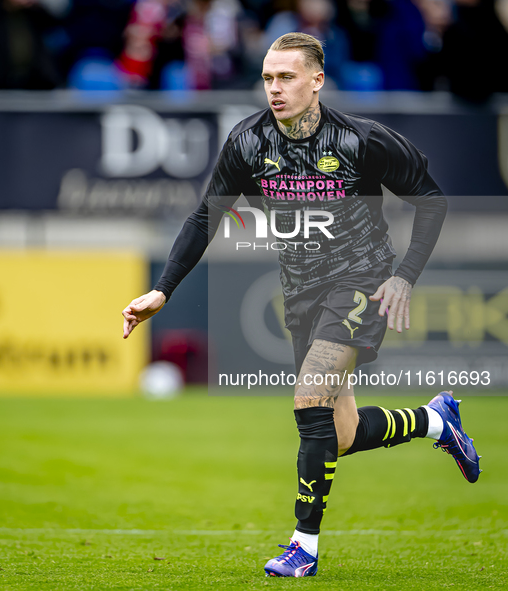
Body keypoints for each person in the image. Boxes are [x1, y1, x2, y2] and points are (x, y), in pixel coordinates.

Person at [122, 32, 481, 578]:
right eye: (268, 77)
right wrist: (162, 289)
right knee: (337, 432)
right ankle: (434, 421)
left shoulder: (361, 140)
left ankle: (303, 547)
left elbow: (431, 200)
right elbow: (205, 218)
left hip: (362, 280)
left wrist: (405, 276)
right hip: (301, 293)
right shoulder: (247, 143)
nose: (274, 89)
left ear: (317, 81)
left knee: (307, 400)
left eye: (286, 77)